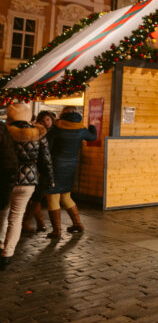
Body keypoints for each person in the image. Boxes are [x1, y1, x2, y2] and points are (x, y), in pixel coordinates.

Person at [0, 103, 53, 269]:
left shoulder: (5, 131)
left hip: (5, 177)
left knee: (3, 213)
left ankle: (0, 244)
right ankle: (7, 253)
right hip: (28, 179)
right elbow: (46, 160)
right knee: (16, 217)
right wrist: (49, 179)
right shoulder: (38, 132)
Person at [44, 107, 97, 238]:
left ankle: (57, 231)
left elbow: (47, 148)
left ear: (63, 114)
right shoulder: (81, 129)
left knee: (53, 197)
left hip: (55, 166)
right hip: (71, 166)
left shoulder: (56, 128)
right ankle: (77, 224)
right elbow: (93, 137)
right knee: (66, 196)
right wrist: (92, 125)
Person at [21, 111, 55, 234]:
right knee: (36, 196)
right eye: (42, 120)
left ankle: (36, 222)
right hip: (39, 168)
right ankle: (33, 222)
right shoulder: (39, 133)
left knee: (37, 196)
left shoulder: (53, 133)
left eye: (48, 119)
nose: (45, 122)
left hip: (45, 168)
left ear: (52, 120)